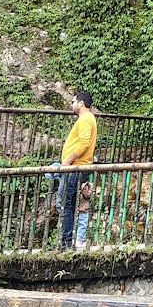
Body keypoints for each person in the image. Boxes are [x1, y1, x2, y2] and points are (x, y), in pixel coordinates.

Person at [57, 90, 97, 249]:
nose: (72, 104)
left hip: (75, 167)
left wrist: (67, 162)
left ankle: (65, 243)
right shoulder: (87, 119)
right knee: (70, 204)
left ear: (81, 103)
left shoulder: (86, 119)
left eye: (73, 101)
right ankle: (67, 241)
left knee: (67, 205)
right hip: (76, 166)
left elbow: (84, 143)